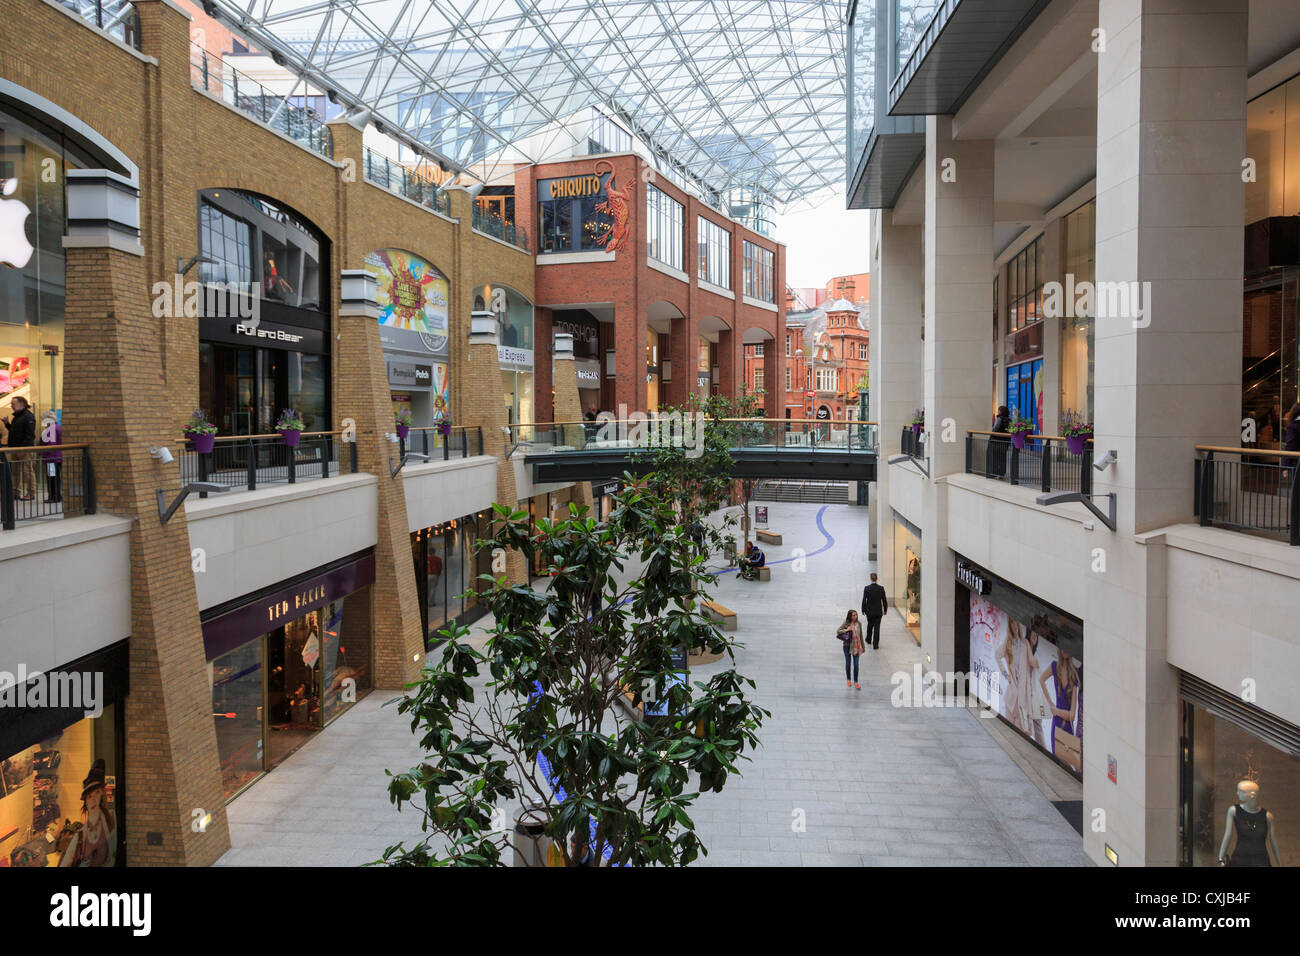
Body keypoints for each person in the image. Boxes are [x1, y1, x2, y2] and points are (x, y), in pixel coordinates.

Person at [61, 758, 116, 867]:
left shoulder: (112, 819)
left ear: (102, 794)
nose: (93, 799)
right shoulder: (80, 837)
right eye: (89, 796)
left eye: (96, 793)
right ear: (85, 801)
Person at [3, 395, 37, 501]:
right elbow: (14, 431)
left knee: (27, 471)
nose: (11, 406)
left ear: (21, 404)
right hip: (15, 448)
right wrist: (7, 424)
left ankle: (31, 493)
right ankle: (16, 492)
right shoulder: (17, 417)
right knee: (15, 471)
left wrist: (23, 449)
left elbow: (30, 435)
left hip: (23, 449)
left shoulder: (28, 416)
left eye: (13, 404)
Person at [836, 609, 865, 690]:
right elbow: (838, 631)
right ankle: (848, 679)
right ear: (850, 616)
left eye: (856, 615)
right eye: (854, 615)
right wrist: (847, 629)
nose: (855, 616)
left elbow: (861, 635)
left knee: (856, 664)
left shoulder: (859, 624)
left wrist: (863, 646)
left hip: (857, 646)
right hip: (847, 646)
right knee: (848, 663)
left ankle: (856, 681)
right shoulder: (846, 623)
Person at [860, 571, 887, 649]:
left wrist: (863, 610)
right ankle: (875, 644)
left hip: (869, 611)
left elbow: (864, 600)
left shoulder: (867, 588)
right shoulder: (881, 589)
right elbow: (884, 600)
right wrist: (885, 609)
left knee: (870, 625)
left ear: (870, 579)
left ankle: (868, 639)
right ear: (877, 579)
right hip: (878, 612)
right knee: (877, 628)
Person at [41, 410, 62, 504]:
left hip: (51, 458)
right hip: (57, 457)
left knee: (51, 478)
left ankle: (53, 497)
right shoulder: (58, 427)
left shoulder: (51, 429)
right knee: (55, 477)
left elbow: (51, 444)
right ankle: (56, 496)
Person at [987, 405, 1011, 478]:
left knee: (994, 457)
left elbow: (995, 429)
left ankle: (993, 473)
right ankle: (1001, 473)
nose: (998, 411)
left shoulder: (999, 419)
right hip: (1005, 442)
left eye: (998, 410)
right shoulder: (1009, 420)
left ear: (1001, 411)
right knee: (1002, 458)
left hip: (996, 441)